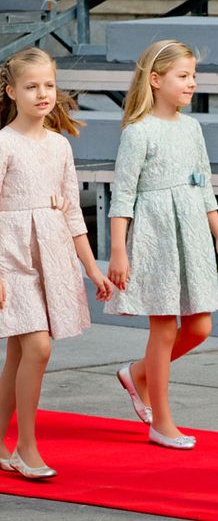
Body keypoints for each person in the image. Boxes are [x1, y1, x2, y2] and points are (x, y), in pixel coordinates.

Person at [105, 40, 218, 451]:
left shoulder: (192, 127)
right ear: (156, 80)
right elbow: (122, 195)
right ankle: (161, 421)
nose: (191, 83)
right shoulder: (138, 133)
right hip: (155, 234)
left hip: (193, 228)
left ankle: (138, 373)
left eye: (194, 75)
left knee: (199, 326)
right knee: (163, 328)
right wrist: (119, 251)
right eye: (183, 76)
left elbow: (205, 183)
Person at [0, 47, 114, 479]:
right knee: (38, 348)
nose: (43, 93)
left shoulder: (59, 145)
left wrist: (92, 267)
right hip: (12, 257)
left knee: (18, 354)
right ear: (12, 92)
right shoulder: (3, 144)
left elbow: (71, 212)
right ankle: (26, 448)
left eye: (49, 84)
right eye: (31, 86)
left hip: (52, 254)